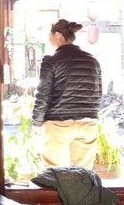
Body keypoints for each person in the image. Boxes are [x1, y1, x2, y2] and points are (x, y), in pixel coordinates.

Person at [32, 19, 102, 170]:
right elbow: (98, 92)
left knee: (54, 172)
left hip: (59, 123)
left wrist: (37, 122)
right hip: (88, 122)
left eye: (50, 34)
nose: (49, 37)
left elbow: (43, 94)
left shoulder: (51, 60)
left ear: (57, 34)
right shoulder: (92, 60)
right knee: (83, 174)